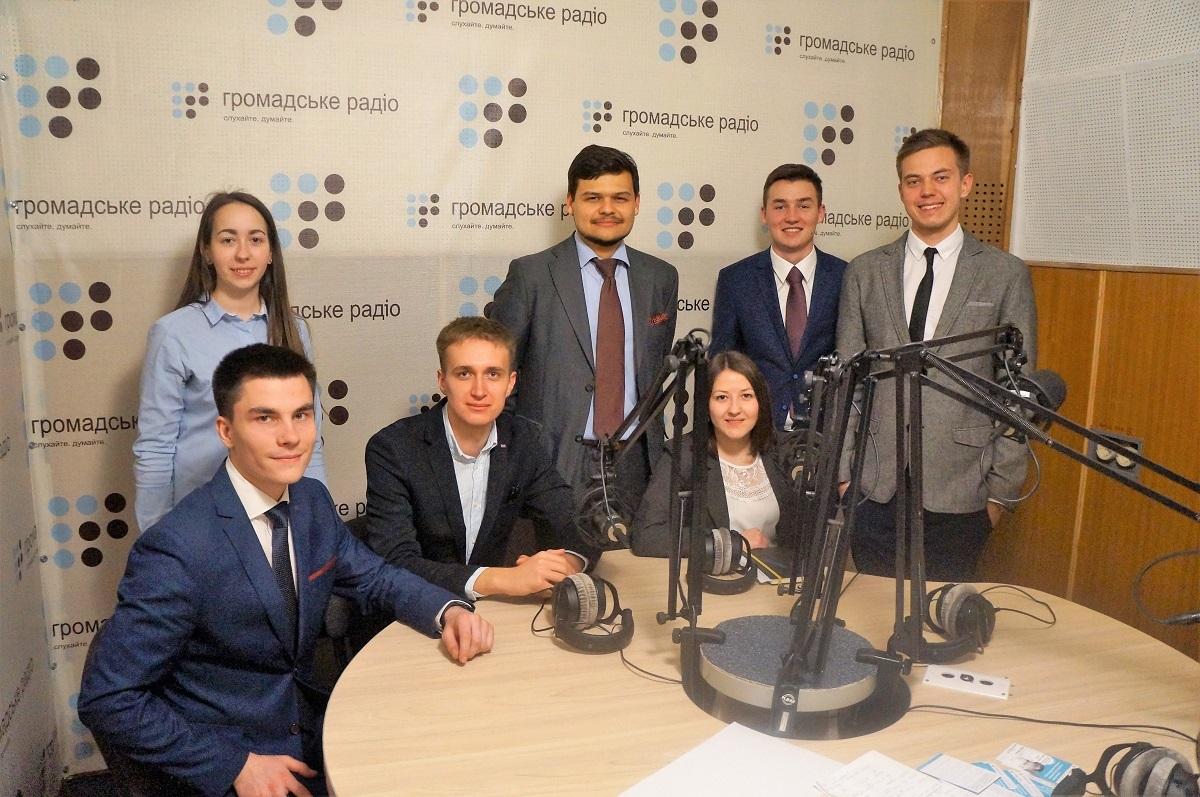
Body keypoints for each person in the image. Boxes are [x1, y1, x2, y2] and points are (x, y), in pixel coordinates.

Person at [80, 344, 491, 797]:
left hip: (313, 728)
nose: (291, 436)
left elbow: (375, 577)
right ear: (226, 430)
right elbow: (108, 698)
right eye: (265, 418)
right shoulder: (178, 547)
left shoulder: (310, 500)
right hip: (237, 762)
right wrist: (233, 766)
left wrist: (449, 610)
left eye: (301, 415)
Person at [836, 128, 1037, 581]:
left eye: (940, 177)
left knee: (940, 617)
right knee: (871, 611)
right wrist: (846, 478)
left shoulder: (1004, 274)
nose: (927, 191)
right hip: (873, 488)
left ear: (965, 184)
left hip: (962, 490)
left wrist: (1000, 494)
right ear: (901, 190)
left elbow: (1017, 393)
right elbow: (849, 381)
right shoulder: (865, 272)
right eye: (914, 180)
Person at [491, 144, 678, 514]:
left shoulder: (661, 277)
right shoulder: (530, 275)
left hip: (637, 464)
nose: (607, 209)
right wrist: (516, 456)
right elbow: (499, 375)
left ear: (637, 203)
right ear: (570, 203)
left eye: (620, 198)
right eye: (593, 197)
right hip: (552, 462)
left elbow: (655, 373)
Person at [363, 316, 598, 600]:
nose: (479, 390)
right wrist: (505, 579)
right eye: (464, 374)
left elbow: (578, 522)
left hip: (488, 611)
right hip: (412, 609)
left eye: (493, 374)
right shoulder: (392, 449)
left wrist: (564, 567)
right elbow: (395, 562)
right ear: (442, 381)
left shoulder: (522, 440)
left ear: (510, 383)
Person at [133, 191, 326, 532]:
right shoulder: (173, 333)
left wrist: (317, 521)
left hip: (280, 518)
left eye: (255, 239)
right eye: (228, 240)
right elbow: (155, 448)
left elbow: (311, 438)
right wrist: (156, 537)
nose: (243, 253)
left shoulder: (294, 331)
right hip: (203, 521)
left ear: (270, 253)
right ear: (206, 251)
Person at [710, 164, 846, 429]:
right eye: (780, 206)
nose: (791, 217)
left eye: (803, 206)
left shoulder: (847, 277)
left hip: (828, 434)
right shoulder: (736, 280)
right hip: (754, 433)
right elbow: (721, 366)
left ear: (821, 213)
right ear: (764, 214)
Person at [632, 351, 801, 558]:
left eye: (746, 396)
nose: (734, 409)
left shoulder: (785, 451)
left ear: (760, 401)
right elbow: (646, 534)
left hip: (779, 575)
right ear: (706, 404)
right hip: (720, 574)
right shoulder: (684, 455)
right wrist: (729, 543)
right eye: (722, 397)